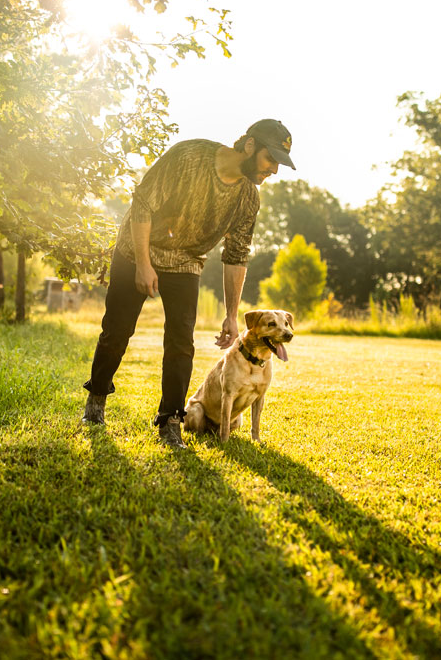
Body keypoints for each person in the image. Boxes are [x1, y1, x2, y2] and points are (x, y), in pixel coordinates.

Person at [81, 119, 296, 448]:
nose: (274, 171)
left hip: (185, 261)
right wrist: (143, 263)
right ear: (250, 146)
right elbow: (143, 204)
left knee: (181, 342)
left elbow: (237, 254)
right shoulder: (189, 157)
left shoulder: (247, 198)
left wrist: (232, 314)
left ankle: (170, 421)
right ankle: (96, 400)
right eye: (271, 159)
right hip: (136, 249)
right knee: (117, 330)